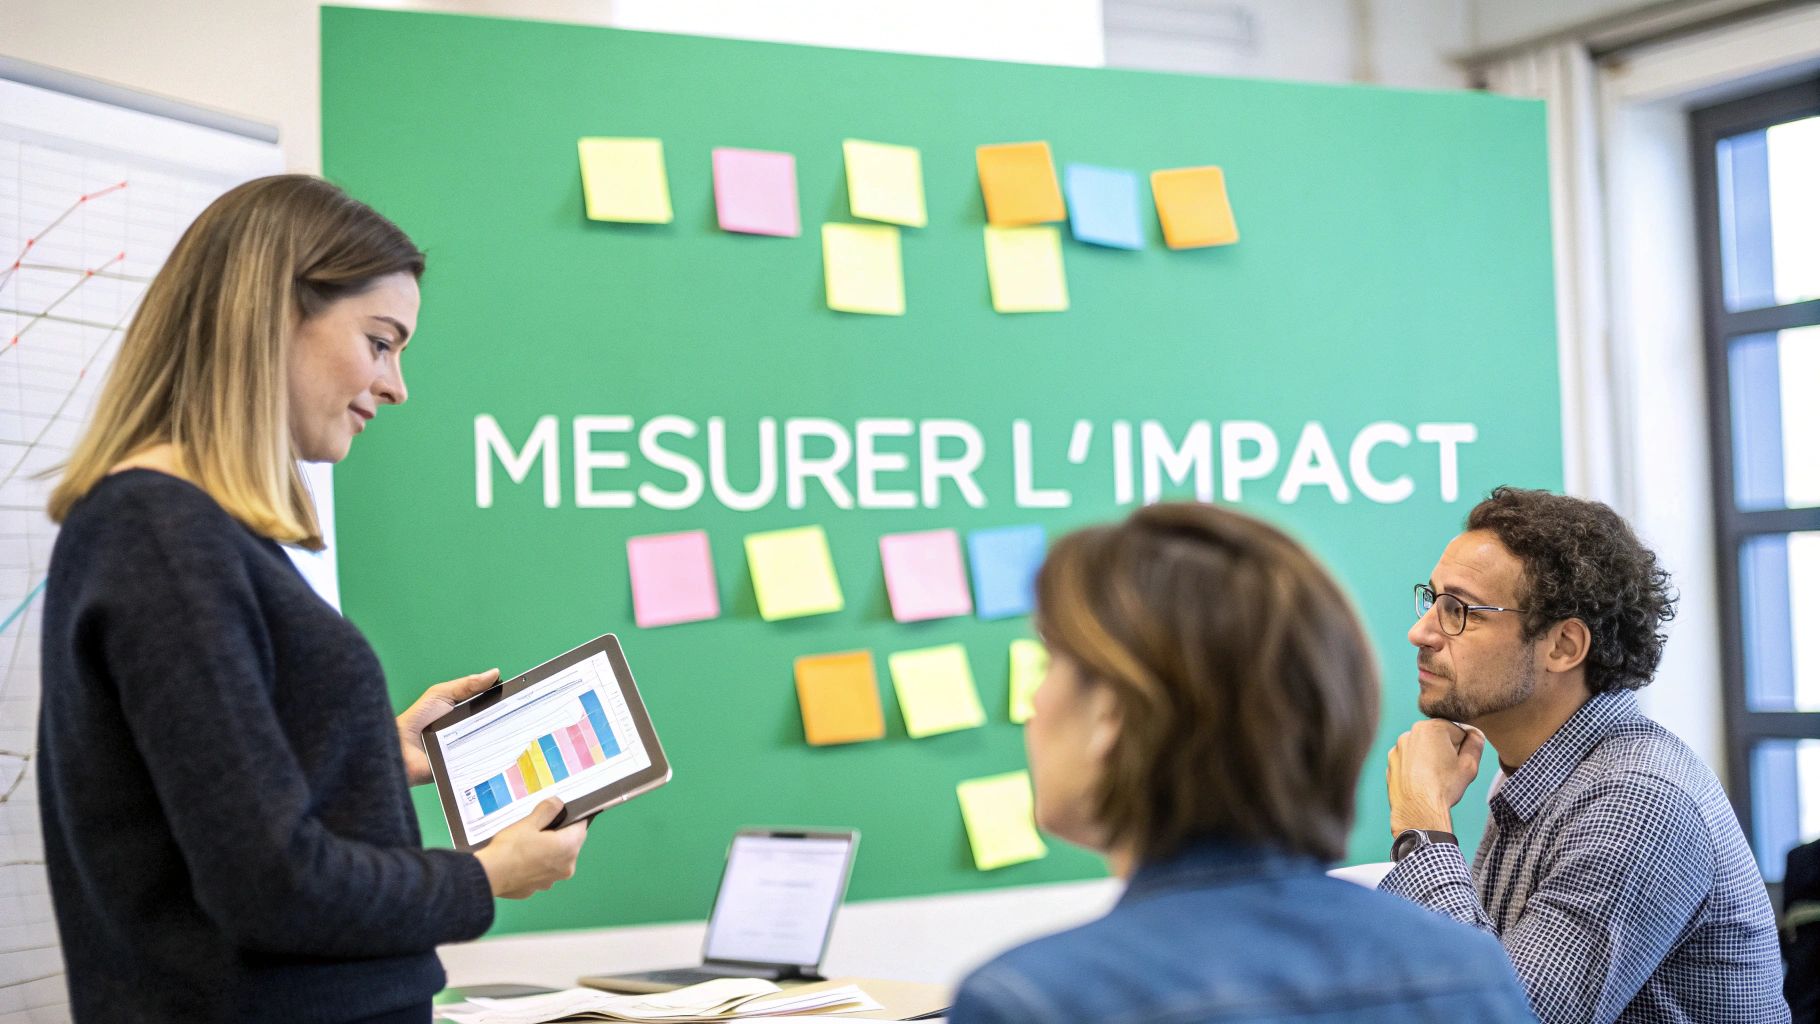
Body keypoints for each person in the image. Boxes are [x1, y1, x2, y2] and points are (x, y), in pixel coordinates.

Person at [37, 175, 588, 1024]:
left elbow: (229, 795)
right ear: (270, 316)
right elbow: (273, 884)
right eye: (379, 342)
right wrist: (486, 877)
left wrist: (370, 746)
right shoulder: (162, 535)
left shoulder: (194, 534)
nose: (397, 385)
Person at [947, 502, 1534, 1023]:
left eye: (1049, 665)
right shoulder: (1469, 971)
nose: (1034, 701)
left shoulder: (1033, 1001)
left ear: (1112, 714)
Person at [1381, 486, 1788, 1023]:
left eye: (1460, 610)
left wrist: (1422, 828)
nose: (1421, 632)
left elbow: (1501, 1016)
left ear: (1564, 647)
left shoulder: (1640, 799)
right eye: (1433, 601)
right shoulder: (1539, 774)